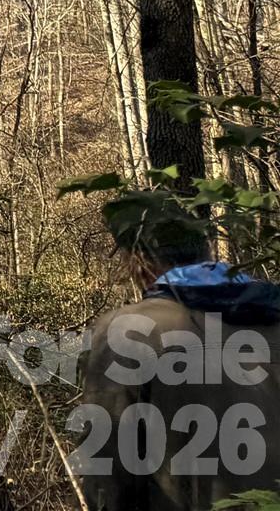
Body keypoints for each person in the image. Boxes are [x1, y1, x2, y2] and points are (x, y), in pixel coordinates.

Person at [76, 199, 280, 509]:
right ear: (206, 250)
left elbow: (108, 473)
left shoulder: (129, 331)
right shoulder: (272, 312)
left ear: (139, 263)